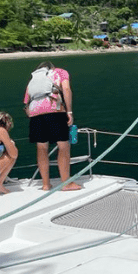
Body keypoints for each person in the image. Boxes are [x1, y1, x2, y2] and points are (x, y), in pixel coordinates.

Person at [23, 61, 82, 191]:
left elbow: (26, 101)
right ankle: (66, 183)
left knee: (42, 147)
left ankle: (45, 184)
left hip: (35, 113)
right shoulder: (60, 72)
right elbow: (66, 89)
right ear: (52, 67)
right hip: (54, 110)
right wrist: (69, 111)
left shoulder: (34, 78)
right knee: (63, 146)